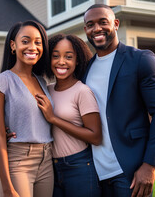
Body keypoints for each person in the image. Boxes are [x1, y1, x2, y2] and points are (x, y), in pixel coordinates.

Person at [82, 4, 155, 197]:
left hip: (131, 171)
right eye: (90, 25)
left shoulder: (141, 60)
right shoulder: (85, 70)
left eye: (103, 22)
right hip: (94, 173)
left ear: (115, 24)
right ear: (85, 30)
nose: (96, 28)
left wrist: (150, 164)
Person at [0, 20, 54, 197]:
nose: (32, 47)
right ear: (13, 45)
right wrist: (7, 188)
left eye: (38, 42)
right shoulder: (1, 81)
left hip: (47, 161)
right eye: (25, 41)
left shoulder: (42, 82)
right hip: (19, 161)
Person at [35, 34, 102, 197]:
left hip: (79, 167)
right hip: (51, 167)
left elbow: (95, 136)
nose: (61, 62)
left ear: (77, 60)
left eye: (69, 57)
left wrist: (54, 119)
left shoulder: (82, 91)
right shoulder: (46, 89)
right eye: (55, 56)